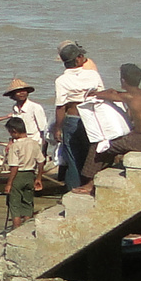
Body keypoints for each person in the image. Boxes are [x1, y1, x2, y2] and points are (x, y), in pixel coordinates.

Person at [78, 64, 141, 194]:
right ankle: (100, 175)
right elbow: (115, 93)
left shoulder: (131, 97)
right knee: (112, 143)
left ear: (123, 80)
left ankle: (89, 183)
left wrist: (95, 93)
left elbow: (110, 96)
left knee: (101, 145)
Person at [52, 41, 104, 190]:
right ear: (77, 59)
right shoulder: (93, 75)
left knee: (73, 158)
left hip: (73, 119)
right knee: (91, 155)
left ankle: (73, 190)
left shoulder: (61, 80)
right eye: (81, 56)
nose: (83, 58)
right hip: (92, 119)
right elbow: (101, 96)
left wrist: (58, 128)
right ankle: (91, 187)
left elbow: (61, 107)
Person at [1, 117, 43, 230]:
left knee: (15, 205)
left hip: (18, 176)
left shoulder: (15, 146)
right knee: (28, 203)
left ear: (14, 131)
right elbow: (41, 161)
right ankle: (27, 228)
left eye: (10, 132)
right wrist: (38, 178)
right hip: (30, 175)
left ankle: (16, 228)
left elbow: (14, 166)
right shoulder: (34, 143)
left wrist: (9, 183)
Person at [2, 78, 48, 156]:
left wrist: (43, 151)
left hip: (34, 143)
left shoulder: (35, 107)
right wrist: (11, 142)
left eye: (24, 91)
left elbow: (44, 131)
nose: (22, 93)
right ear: (13, 96)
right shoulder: (15, 108)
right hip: (20, 143)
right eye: (18, 92)